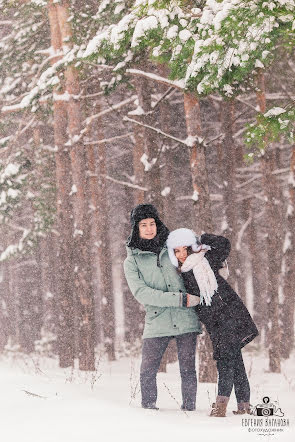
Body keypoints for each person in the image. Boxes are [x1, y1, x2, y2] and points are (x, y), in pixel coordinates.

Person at [166, 228, 259, 417]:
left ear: (191, 248)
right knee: (235, 360)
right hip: (214, 322)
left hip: (231, 314)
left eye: (185, 248)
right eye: (177, 250)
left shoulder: (205, 259)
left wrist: (202, 238)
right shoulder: (182, 274)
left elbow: (224, 244)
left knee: (225, 359)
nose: (181, 254)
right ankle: (244, 405)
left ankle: (221, 405)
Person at [123, 204, 202, 411]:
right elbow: (141, 293)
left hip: (186, 316)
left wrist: (218, 269)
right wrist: (179, 299)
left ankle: (190, 410)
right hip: (157, 318)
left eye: (152, 224)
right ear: (136, 228)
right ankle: (149, 409)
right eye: (143, 225)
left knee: (188, 368)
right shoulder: (132, 261)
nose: (149, 229)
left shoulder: (173, 248)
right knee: (148, 369)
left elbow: (199, 261)